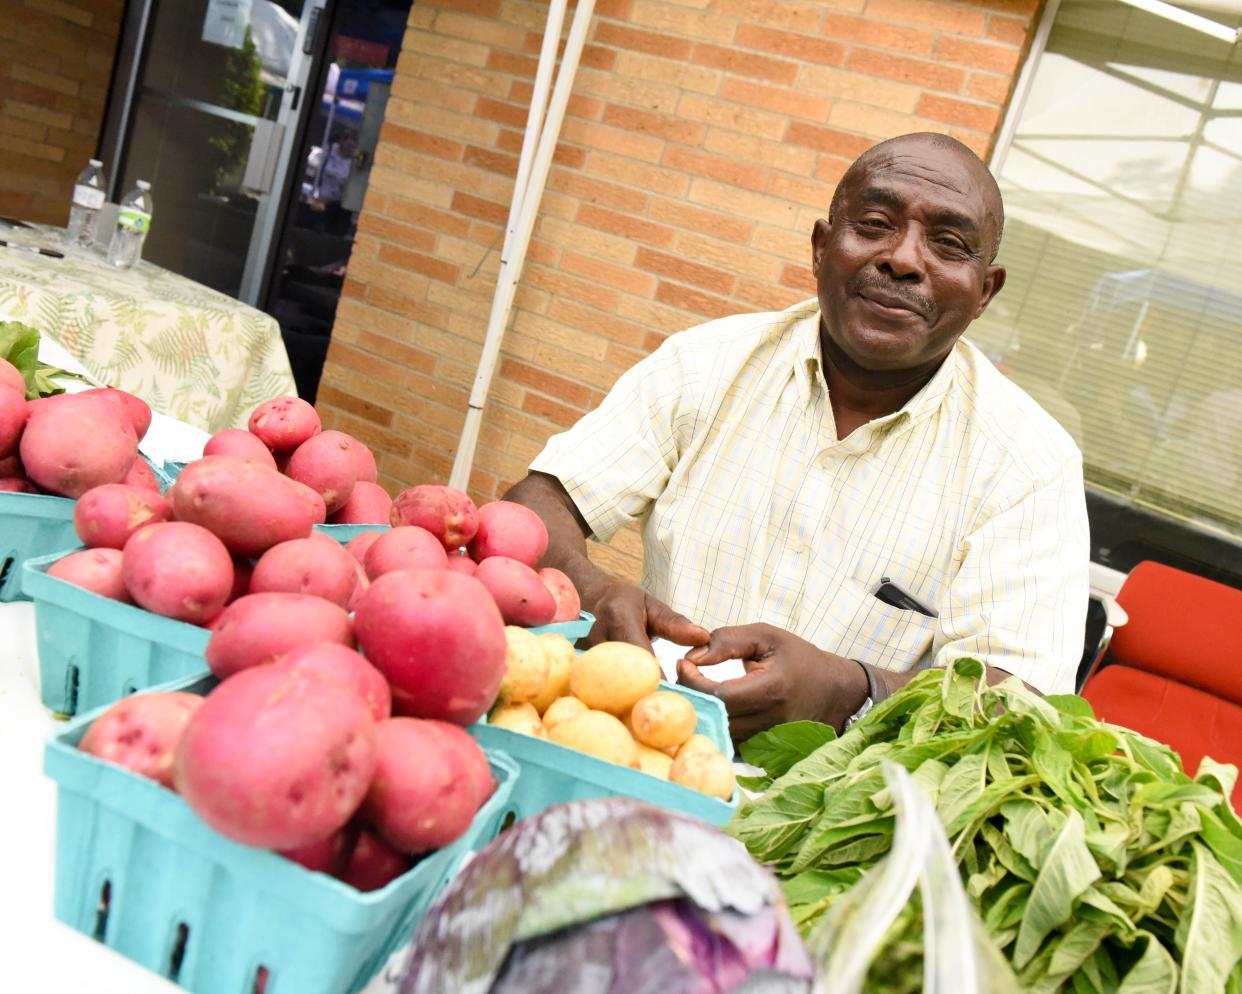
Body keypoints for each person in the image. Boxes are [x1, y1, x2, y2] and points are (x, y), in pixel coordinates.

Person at [505, 132, 1090, 739]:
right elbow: (536, 504)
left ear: (985, 292)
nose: (904, 259)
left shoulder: (1028, 463)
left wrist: (851, 691)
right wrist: (597, 591)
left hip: (834, 811)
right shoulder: (706, 365)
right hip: (639, 740)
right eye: (873, 224)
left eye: (947, 243)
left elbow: (1021, 702)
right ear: (819, 248)